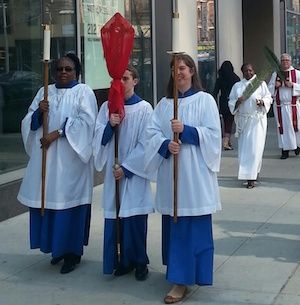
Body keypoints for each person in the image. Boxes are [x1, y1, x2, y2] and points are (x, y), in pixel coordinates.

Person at [145, 54, 222, 304]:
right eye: (173, 68)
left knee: (194, 226)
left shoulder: (205, 100)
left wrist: (186, 131)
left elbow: (213, 135)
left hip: (195, 176)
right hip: (173, 176)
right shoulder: (165, 104)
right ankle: (179, 277)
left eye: (182, 68)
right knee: (176, 224)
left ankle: (192, 274)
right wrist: (166, 144)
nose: (178, 72)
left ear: (192, 71)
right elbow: (151, 133)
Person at [17, 53, 98, 274]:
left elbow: (87, 122)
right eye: (59, 69)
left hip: (71, 162)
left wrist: (59, 133)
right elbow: (28, 120)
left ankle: (72, 253)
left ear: (77, 72)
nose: (63, 72)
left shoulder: (83, 92)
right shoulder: (45, 91)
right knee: (49, 201)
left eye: (68, 69)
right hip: (47, 159)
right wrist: (38, 115)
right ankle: (57, 249)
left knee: (69, 204)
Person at [93, 65, 154, 281]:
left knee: (135, 219)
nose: (120, 83)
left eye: (125, 78)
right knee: (116, 216)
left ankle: (139, 262)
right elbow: (98, 137)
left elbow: (147, 142)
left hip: (133, 173)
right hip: (113, 170)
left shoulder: (145, 109)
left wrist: (127, 168)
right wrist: (110, 125)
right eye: (117, 79)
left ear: (135, 81)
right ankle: (121, 261)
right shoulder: (106, 108)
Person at [228, 63, 272, 189]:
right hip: (244, 121)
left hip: (257, 120)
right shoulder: (237, 86)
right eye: (246, 71)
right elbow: (230, 101)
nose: (249, 72)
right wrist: (238, 101)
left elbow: (268, 97)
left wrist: (262, 102)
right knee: (244, 150)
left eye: (251, 70)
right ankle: (248, 174)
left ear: (254, 70)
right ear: (242, 72)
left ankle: (251, 178)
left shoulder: (260, 83)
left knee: (255, 149)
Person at [268, 53, 300, 159]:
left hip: (293, 105)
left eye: (287, 60)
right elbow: (268, 89)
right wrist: (275, 86)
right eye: (282, 60)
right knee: (282, 128)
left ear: (290, 62)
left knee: (295, 127)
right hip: (280, 106)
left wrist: (293, 85)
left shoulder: (297, 73)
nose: (285, 62)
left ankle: (296, 147)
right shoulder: (275, 74)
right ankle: (284, 150)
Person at [213, 60, 240, 150]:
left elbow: (215, 92)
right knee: (230, 122)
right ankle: (225, 142)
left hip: (223, 101)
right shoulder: (235, 78)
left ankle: (228, 141)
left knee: (225, 122)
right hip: (232, 102)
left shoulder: (220, 78)